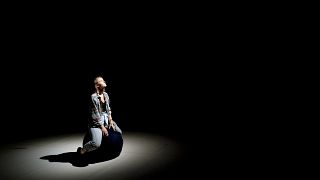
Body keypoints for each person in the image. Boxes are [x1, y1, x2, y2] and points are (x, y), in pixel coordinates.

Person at [77, 76, 122, 155]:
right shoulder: (93, 97)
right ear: (97, 85)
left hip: (106, 119)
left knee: (119, 132)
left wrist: (111, 121)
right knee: (96, 144)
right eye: (101, 81)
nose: (104, 81)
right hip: (96, 123)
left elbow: (108, 109)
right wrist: (102, 127)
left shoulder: (106, 95)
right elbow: (95, 114)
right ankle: (82, 150)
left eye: (103, 80)